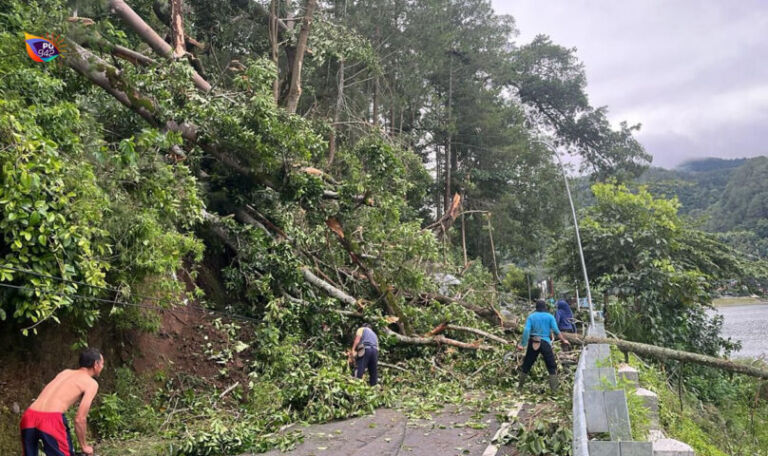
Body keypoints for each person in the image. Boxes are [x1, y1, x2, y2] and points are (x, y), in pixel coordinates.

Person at [21, 348, 104, 456]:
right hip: (52, 420)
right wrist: (84, 446)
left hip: (29, 415)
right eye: (102, 363)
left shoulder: (65, 372)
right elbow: (80, 419)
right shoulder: (91, 383)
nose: (102, 367)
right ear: (96, 364)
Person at [517, 300, 570, 391]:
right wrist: (564, 340)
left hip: (533, 342)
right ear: (545, 307)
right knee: (551, 366)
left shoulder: (531, 317)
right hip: (545, 342)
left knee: (527, 364)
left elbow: (526, 331)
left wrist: (523, 344)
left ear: (536, 308)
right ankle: (554, 390)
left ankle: (520, 388)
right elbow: (556, 331)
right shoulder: (550, 317)